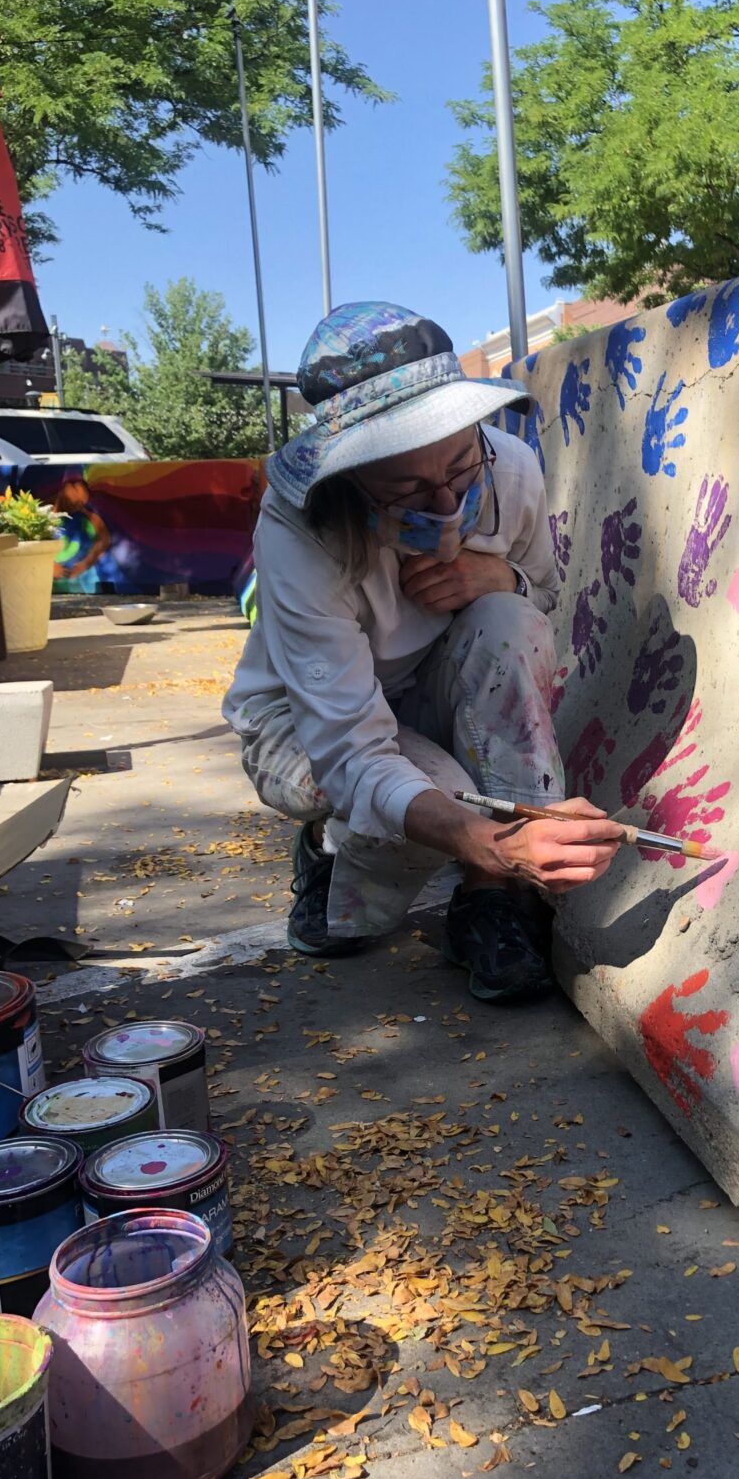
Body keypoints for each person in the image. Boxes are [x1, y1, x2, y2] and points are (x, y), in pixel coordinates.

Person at [222, 301, 622, 1000]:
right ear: (350, 476)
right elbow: (353, 752)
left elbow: (545, 606)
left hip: (432, 692)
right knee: (412, 811)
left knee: (510, 621)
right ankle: (328, 855)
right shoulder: (298, 531)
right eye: (407, 487)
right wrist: (488, 836)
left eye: (462, 467)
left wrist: (503, 577)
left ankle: (490, 900)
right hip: (306, 724)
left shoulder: (514, 469)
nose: (444, 505)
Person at [52, 477, 113, 593]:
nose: (76, 503)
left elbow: (105, 540)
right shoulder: (42, 514)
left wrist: (84, 564)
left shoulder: (87, 517)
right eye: (75, 495)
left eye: (81, 502)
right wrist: (49, 567)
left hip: (77, 584)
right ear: (64, 487)